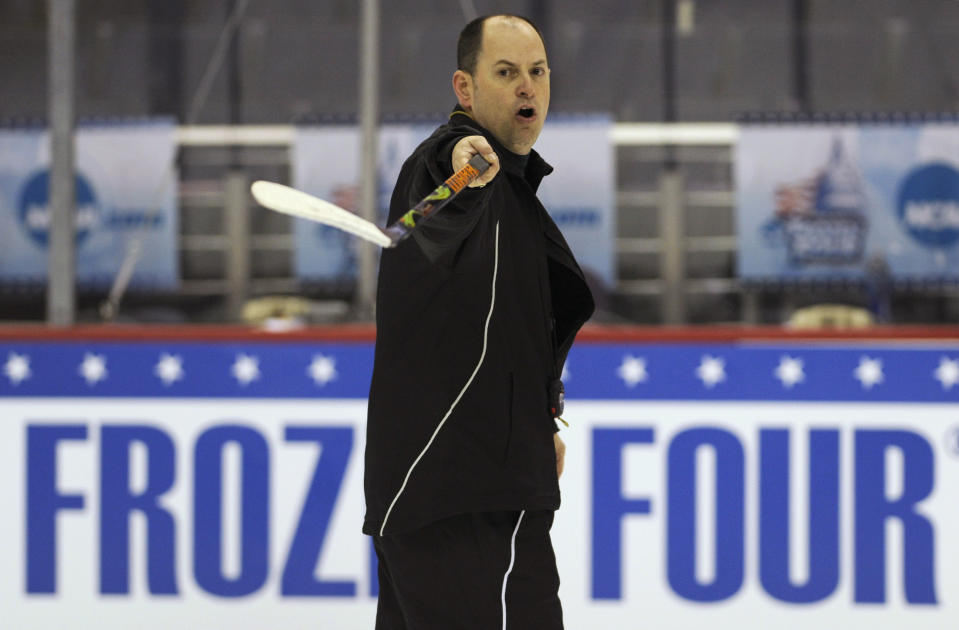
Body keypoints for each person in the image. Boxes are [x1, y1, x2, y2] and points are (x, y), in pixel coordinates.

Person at [364, 14, 594, 630]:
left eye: (538, 72)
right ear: (464, 89)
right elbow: (438, 200)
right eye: (506, 72)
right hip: (463, 501)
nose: (528, 88)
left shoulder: (516, 195)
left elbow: (510, 330)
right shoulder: (454, 170)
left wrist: (540, 418)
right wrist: (462, 162)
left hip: (466, 495)